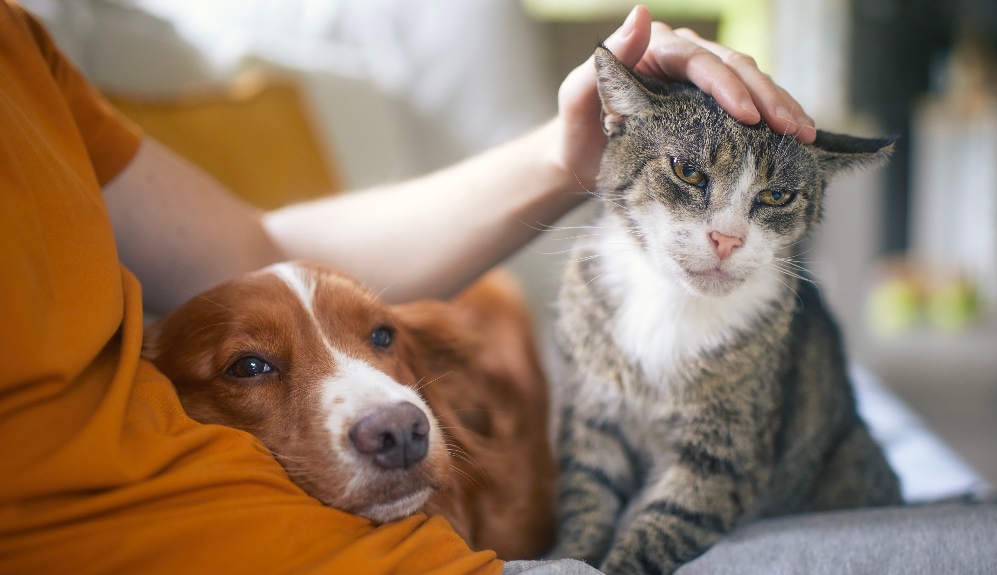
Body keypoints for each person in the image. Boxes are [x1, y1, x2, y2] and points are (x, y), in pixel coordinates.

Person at [0, 2, 814, 574]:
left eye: (379, 338)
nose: (392, 419)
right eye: (249, 366)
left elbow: (256, 248)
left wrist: (569, 160)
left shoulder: (20, 51)